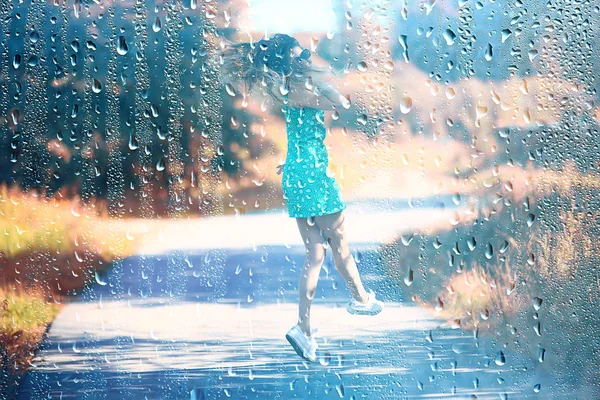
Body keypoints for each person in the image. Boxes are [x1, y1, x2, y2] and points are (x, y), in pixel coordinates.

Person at [220, 33, 383, 363]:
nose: (308, 57)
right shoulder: (309, 84)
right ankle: (361, 300)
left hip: (294, 172)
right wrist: (323, 84)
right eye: (303, 54)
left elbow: (302, 129)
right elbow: (344, 103)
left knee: (314, 256)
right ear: (295, 60)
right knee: (339, 245)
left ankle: (304, 329)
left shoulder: (282, 88)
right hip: (313, 173)